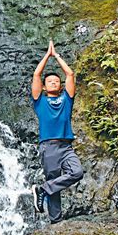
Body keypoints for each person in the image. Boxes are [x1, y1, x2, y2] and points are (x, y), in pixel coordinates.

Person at [31, 40, 83, 223]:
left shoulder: (66, 100)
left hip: (66, 146)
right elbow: (37, 74)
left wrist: (57, 56)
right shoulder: (40, 102)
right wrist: (47, 55)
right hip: (49, 146)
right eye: (50, 81)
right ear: (44, 87)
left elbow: (69, 73)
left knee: (77, 172)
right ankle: (56, 220)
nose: (53, 82)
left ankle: (43, 189)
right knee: (55, 183)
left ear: (60, 86)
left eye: (56, 81)